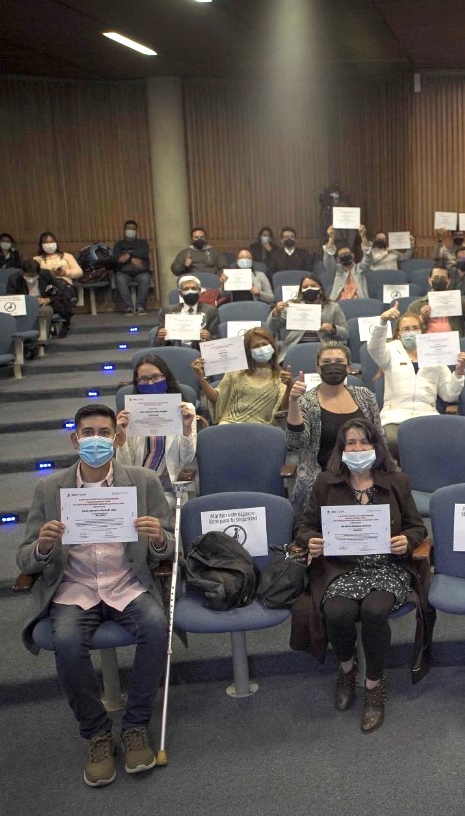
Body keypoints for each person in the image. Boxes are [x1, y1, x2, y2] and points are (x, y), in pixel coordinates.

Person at [15, 403, 171, 787]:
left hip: (127, 583)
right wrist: (44, 547)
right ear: (75, 439)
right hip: (74, 587)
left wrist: (158, 537)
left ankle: (135, 726)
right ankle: (97, 734)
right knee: (65, 640)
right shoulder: (49, 489)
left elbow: (169, 550)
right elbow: (23, 556)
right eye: (88, 433)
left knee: (156, 625)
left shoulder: (143, 481)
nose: (97, 440)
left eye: (104, 433)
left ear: (117, 439)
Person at [292, 418, 431, 733]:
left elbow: (416, 526)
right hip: (341, 566)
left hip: (387, 566)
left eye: (363, 442)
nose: (357, 449)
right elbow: (305, 526)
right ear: (341, 450)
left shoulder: (397, 481)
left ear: (376, 447)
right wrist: (309, 539)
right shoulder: (326, 483)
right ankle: (346, 668)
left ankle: (374, 685)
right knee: (337, 612)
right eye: (350, 443)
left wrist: (406, 541)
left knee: (373, 610)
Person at [285, 341, 382, 514]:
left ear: (348, 366)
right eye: (327, 362)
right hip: (322, 478)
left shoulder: (365, 395)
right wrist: (293, 402)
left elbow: (379, 438)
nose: (333, 366)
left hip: (365, 474)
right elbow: (296, 444)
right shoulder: (306, 401)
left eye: (338, 362)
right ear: (318, 367)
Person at [371, 304, 465, 458]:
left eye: (415, 328)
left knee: (444, 441)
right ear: (398, 333)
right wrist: (382, 321)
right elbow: (374, 347)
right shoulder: (390, 351)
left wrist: (459, 373)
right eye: (406, 329)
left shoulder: (434, 353)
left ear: (422, 331)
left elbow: (449, 395)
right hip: (395, 418)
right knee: (395, 441)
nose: (411, 332)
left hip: (427, 416)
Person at [115, 355, 198, 493]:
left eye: (155, 377)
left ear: (165, 377)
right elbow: (124, 465)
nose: (150, 383)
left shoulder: (186, 410)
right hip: (139, 483)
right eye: (144, 379)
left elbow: (187, 458)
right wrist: (121, 438)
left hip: (169, 484)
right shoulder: (130, 413)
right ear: (137, 381)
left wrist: (186, 428)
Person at [191, 327, 288, 426]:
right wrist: (201, 377)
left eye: (265, 344)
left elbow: (284, 409)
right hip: (230, 423)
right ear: (249, 351)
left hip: (262, 428)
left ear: (272, 346)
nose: (262, 348)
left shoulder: (281, 377)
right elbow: (216, 399)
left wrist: (290, 386)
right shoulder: (235, 372)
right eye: (256, 346)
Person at [265, 275, 347, 356]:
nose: (309, 289)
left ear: (321, 289)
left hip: (325, 347)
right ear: (301, 291)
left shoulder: (333, 307)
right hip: (295, 345)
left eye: (313, 286)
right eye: (305, 287)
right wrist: (276, 312)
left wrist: (333, 328)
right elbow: (273, 327)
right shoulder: (292, 305)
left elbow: (345, 333)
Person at [406, 264, 465, 337]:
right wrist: (422, 318)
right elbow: (408, 331)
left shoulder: (459, 302)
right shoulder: (415, 306)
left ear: (448, 281)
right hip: (428, 345)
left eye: (443, 278)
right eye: (436, 278)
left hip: (454, 345)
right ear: (430, 280)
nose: (439, 280)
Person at [6, 258, 66, 344]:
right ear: (22, 272)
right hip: (23, 305)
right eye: (28, 276)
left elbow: (60, 290)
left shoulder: (46, 274)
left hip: (43, 304)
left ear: (38, 273)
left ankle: (42, 340)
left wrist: (48, 299)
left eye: (33, 276)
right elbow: (9, 296)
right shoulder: (14, 278)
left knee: (45, 312)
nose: (31, 278)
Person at [154, 275, 218, 347]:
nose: (190, 291)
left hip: (199, 352)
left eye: (193, 288)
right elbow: (156, 344)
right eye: (186, 289)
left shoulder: (210, 311)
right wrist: (161, 338)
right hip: (175, 350)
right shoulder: (167, 311)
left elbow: (216, 340)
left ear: (200, 291)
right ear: (180, 293)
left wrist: (208, 337)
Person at [113, 220, 152, 315]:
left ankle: (140, 306)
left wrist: (128, 256)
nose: (131, 231)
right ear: (124, 230)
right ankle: (128, 307)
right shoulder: (119, 244)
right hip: (124, 272)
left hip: (140, 272)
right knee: (119, 278)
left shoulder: (142, 243)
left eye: (133, 229)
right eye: (128, 228)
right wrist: (132, 259)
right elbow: (118, 258)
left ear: (136, 230)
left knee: (146, 278)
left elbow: (143, 253)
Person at [324, 225, 372, 301]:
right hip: (340, 305)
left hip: (359, 304)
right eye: (342, 255)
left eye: (346, 254)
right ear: (338, 259)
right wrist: (331, 238)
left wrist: (363, 236)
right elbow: (327, 258)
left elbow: (368, 255)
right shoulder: (336, 270)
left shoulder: (360, 268)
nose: (345, 256)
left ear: (352, 256)